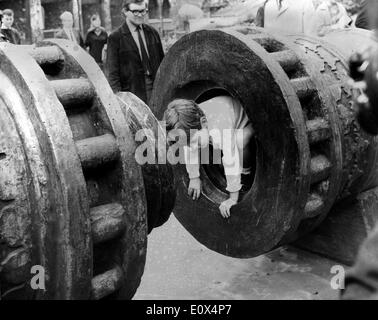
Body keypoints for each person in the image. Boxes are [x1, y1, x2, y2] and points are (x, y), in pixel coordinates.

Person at [163, 97, 255, 218]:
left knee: (239, 141)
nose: (193, 146)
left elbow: (230, 159)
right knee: (206, 148)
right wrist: (194, 177)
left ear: (204, 122)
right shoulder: (191, 124)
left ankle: (246, 172)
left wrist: (232, 199)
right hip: (223, 123)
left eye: (195, 141)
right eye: (188, 143)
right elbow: (190, 149)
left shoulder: (220, 126)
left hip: (249, 120)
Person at [107, 0, 164, 104]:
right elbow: (113, 75)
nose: (140, 15)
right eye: (135, 11)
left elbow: (163, 64)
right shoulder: (115, 38)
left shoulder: (153, 33)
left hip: (156, 90)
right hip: (132, 95)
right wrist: (119, 100)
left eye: (143, 11)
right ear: (125, 11)